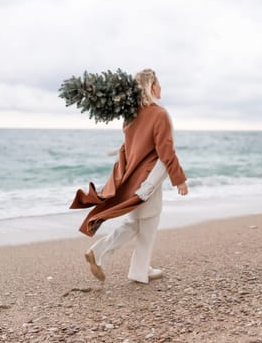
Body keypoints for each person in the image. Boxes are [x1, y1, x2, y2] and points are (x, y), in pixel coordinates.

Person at [70, 68, 188, 283]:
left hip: (133, 178)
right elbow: (165, 151)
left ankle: (134, 267)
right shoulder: (159, 113)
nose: (161, 89)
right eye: (159, 84)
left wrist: (118, 155)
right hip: (149, 179)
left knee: (135, 224)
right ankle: (134, 269)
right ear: (152, 87)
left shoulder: (131, 114)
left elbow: (131, 145)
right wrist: (179, 179)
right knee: (148, 227)